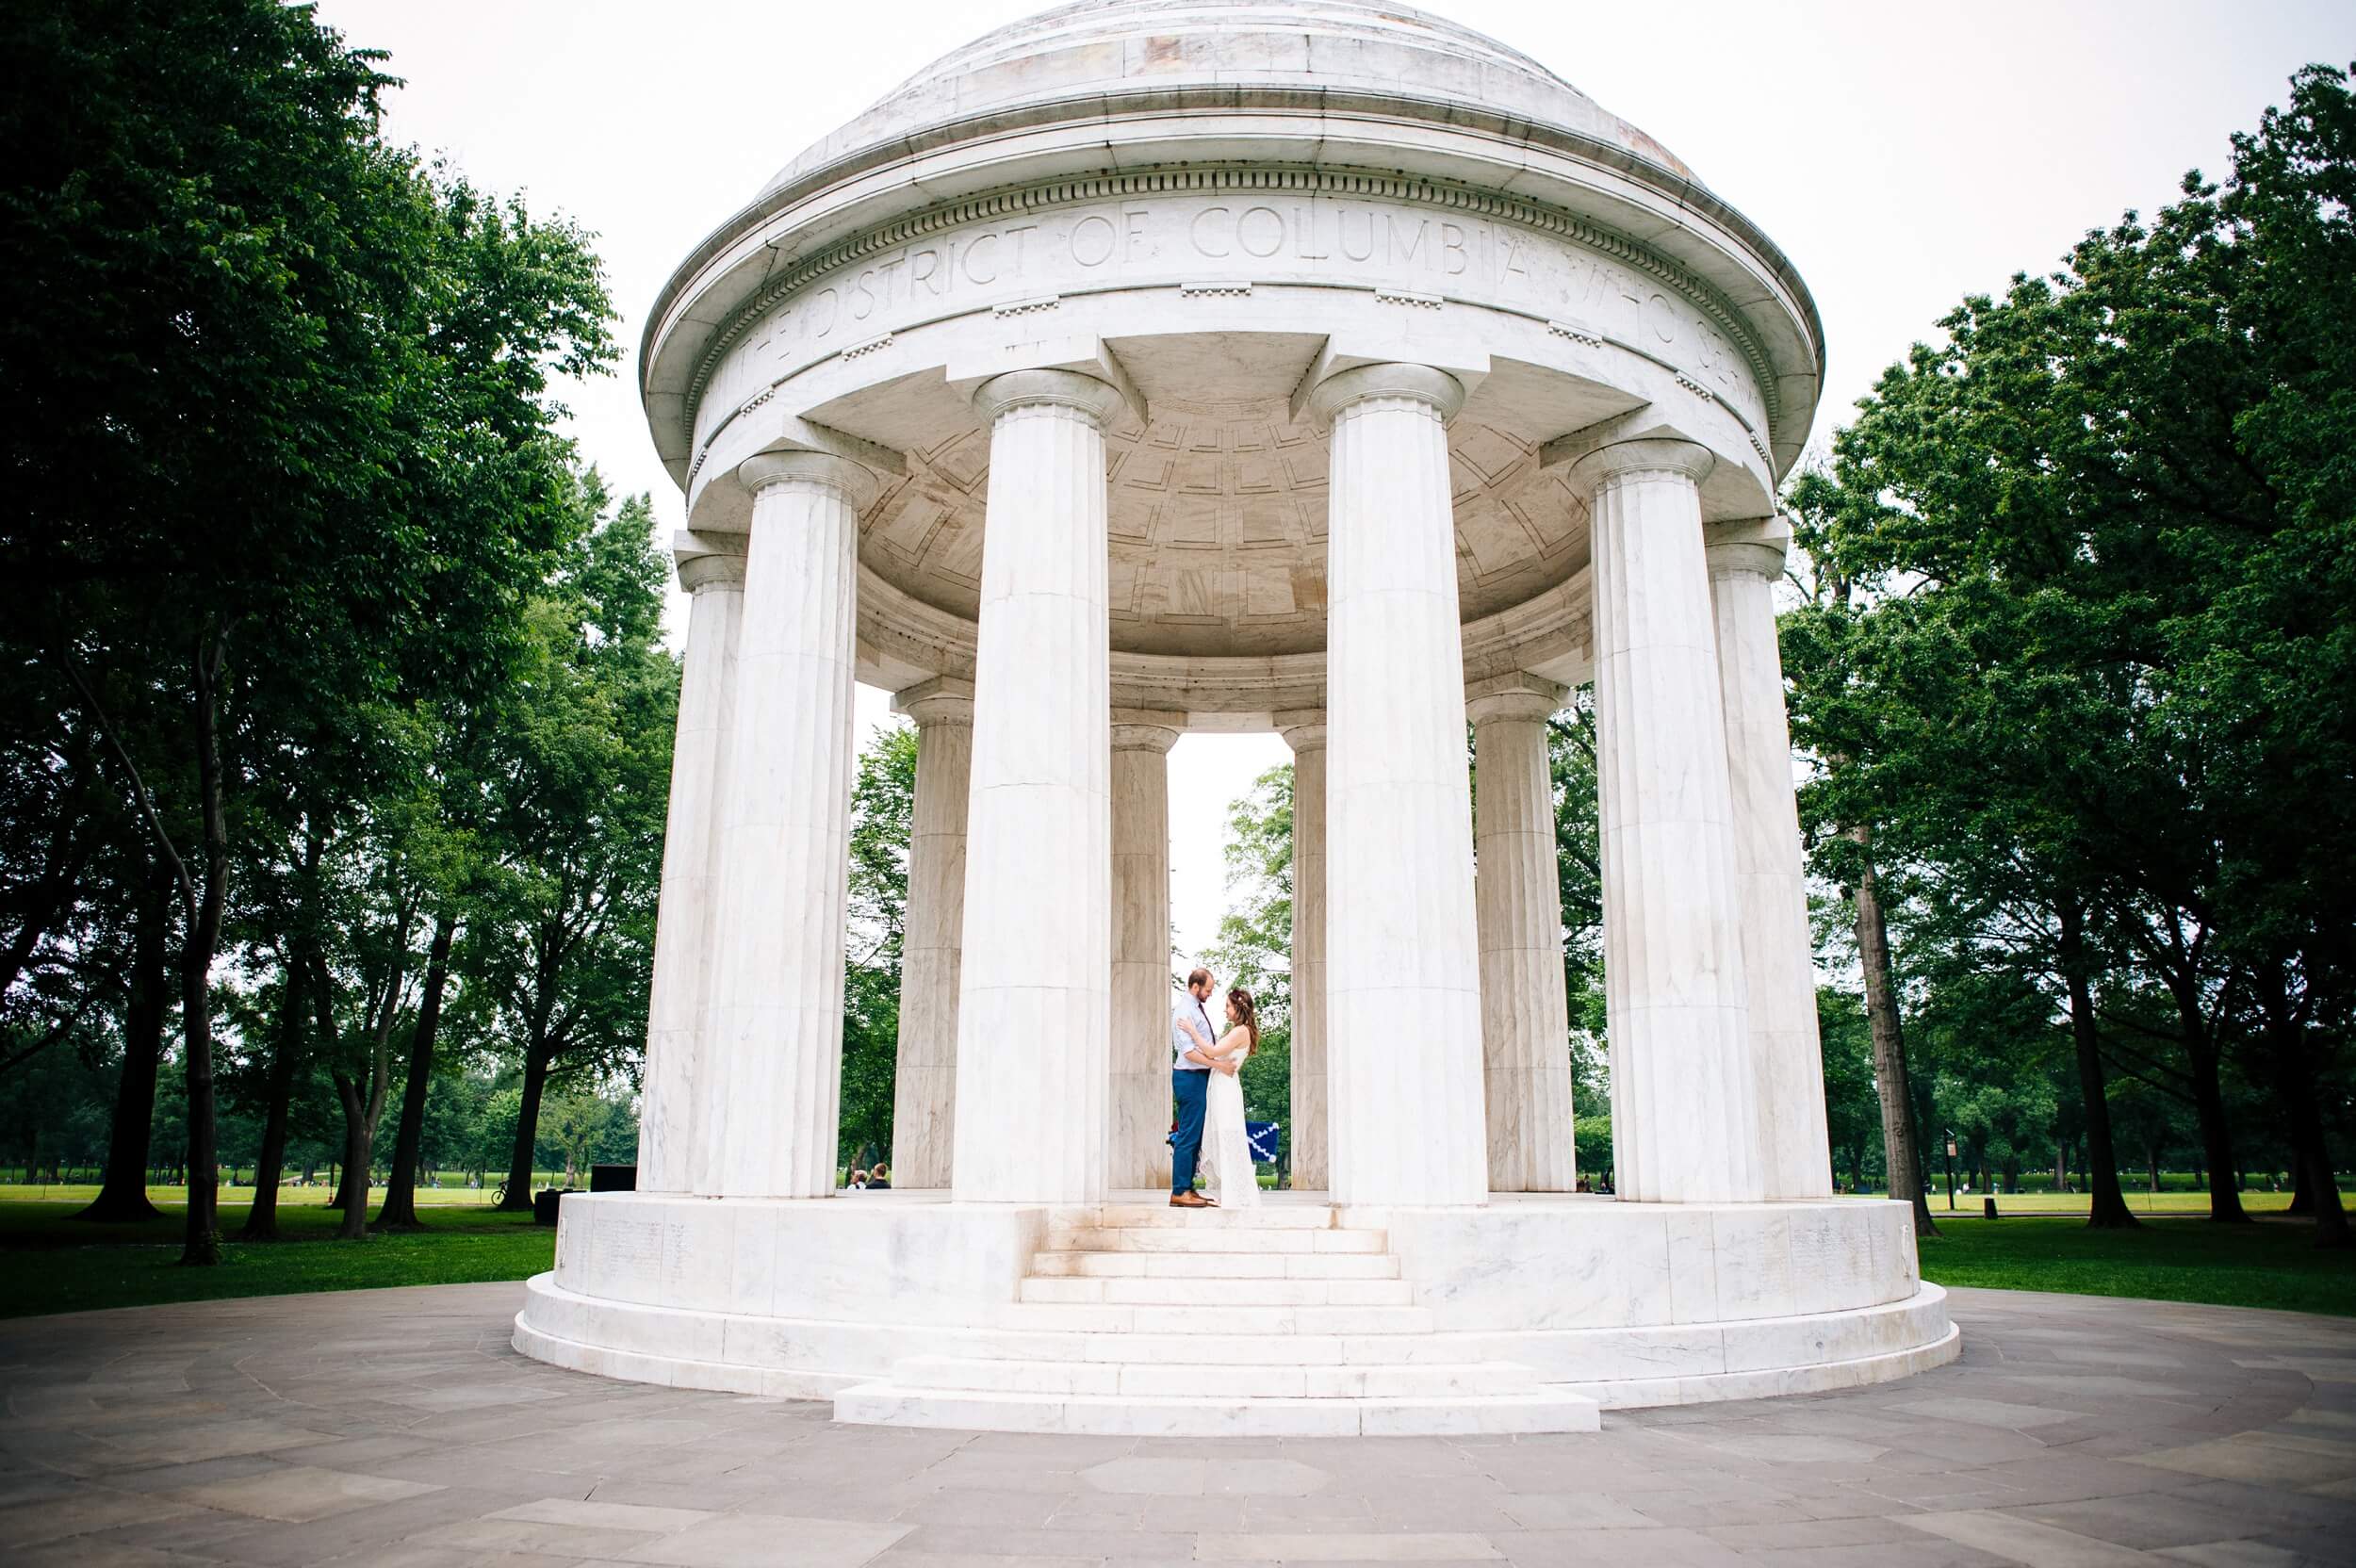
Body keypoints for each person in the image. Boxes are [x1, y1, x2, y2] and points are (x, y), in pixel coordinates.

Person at [1169, 967, 1235, 1208]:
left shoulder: (1195, 1009)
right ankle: (1179, 1190)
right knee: (1187, 1134)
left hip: (1198, 1077)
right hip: (1189, 1077)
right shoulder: (1184, 1012)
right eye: (1208, 989)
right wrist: (1218, 1064)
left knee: (1195, 1135)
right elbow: (1188, 1053)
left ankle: (1188, 1186)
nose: (1210, 994)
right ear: (1195, 987)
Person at [1195, 987, 1262, 1210]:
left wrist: (1193, 1033)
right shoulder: (1240, 1031)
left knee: (1227, 1135)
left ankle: (1235, 1193)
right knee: (1222, 1135)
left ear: (1237, 1008)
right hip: (1222, 1086)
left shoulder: (1240, 1031)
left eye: (1227, 1006)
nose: (1225, 1011)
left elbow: (1213, 1052)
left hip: (1226, 1089)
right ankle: (1230, 1190)